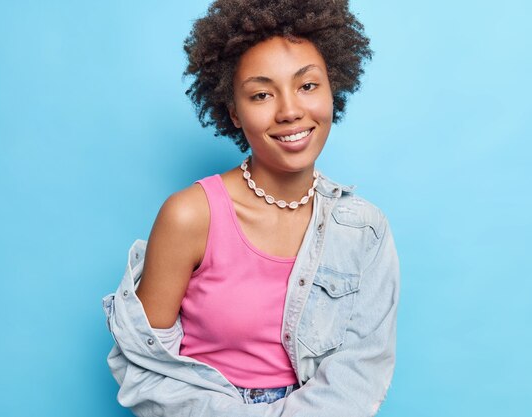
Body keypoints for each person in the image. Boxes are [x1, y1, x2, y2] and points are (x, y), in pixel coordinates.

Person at [102, 0, 400, 415]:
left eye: (308, 85)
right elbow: (146, 364)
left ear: (334, 88)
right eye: (261, 94)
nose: (290, 110)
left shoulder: (364, 229)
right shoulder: (191, 215)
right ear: (234, 113)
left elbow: (359, 373)